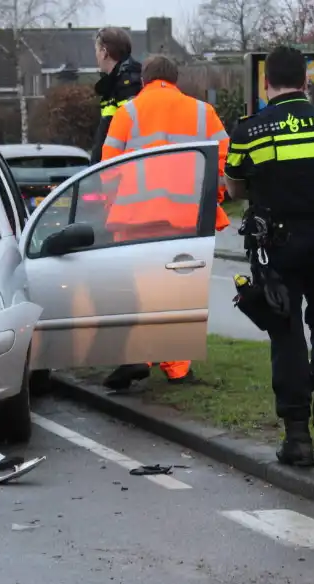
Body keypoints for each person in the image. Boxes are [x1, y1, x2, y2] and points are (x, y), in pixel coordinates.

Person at [224, 46, 314, 468]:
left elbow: (235, 187)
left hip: (278, 244)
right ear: (305, 80)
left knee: (286, 332)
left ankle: (298, 436)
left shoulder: (251, 130)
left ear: (266, 84)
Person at [98, 54, 231, 391]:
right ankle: (177, 368)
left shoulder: (127, 112)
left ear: (144, 80)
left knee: (139, 291)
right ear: (176, 79)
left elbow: (107, 168)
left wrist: (111, 207)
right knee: (178, 291)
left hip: (135, 220)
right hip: (187, 219)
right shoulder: (203, 112)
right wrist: (210, 199)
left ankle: (138, 358)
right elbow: (224, 160)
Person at [90, 27, 142, 164]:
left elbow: (130, 130)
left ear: (104, 52)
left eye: (96, 50)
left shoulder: (128, 83)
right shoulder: (115, 83)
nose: (95, 56)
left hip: (125, 168)